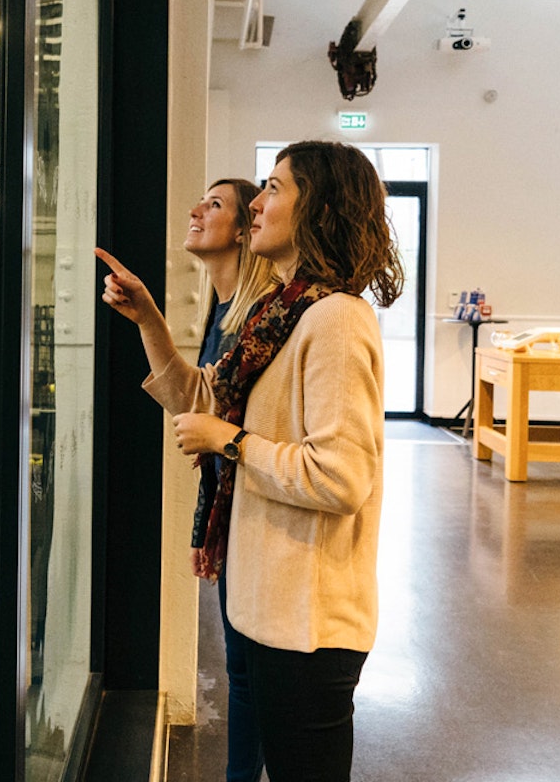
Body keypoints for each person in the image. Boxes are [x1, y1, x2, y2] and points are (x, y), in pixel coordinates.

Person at [95, 140, 403, 782]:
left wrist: (229, 442)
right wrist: (150, 319)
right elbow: (202, 400)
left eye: (274, 189)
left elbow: (341, 478)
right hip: (270, 608)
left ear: (318, 210)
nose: (257, 204)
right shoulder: (281, 312)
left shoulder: (336, 320)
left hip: (310, 623)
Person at [184, 178, 275, 782]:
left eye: (214, 205)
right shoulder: (221, 310)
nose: (196, 211)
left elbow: (224, 430)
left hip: (260, 511)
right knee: (241, 667)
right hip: (231, 507)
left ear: (245, 230)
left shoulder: (258, 322)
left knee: (247, 670)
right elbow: (201, 414)